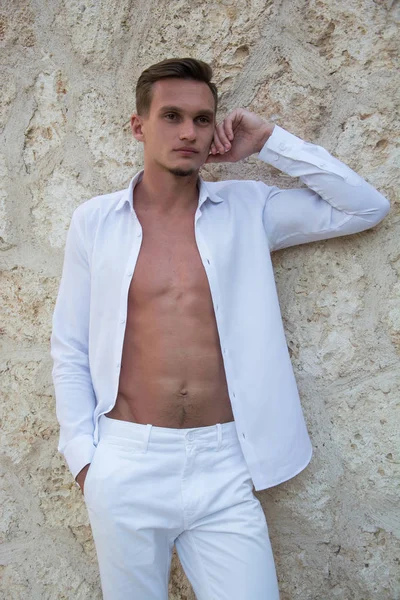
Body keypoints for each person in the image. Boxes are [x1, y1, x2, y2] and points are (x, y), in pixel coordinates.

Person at [50, 57, 390, 599]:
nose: (188, 132)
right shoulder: (95, 222)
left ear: (215, 131)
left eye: (203, 120)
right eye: (172, 116)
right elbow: (68, 346)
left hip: (224, 464)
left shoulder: (248, 208)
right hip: (127, 461)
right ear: (139, 126)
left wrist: (270, 141)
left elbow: (365, 207)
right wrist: (85, 460)